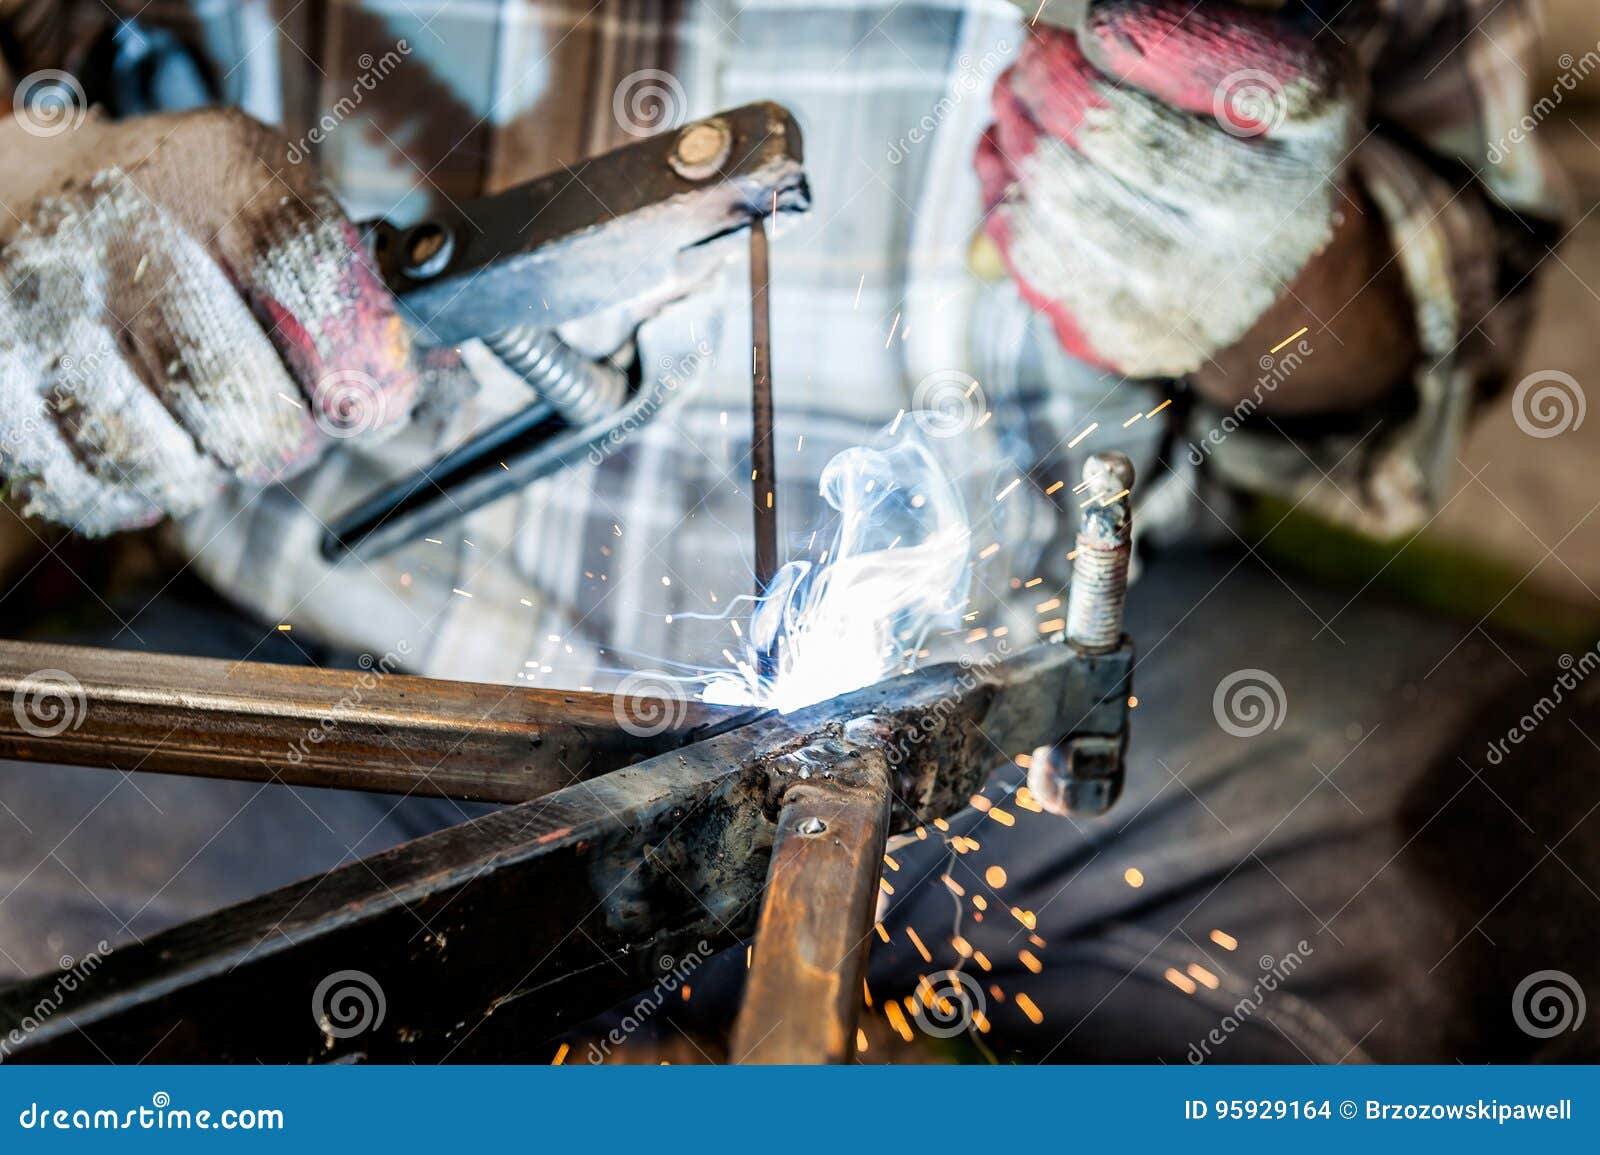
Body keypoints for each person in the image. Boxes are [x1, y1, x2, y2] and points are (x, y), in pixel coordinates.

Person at [1, 0, 1595, 1062]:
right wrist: (33, 179)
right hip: (333, 681)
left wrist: (1276, 270)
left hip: (1025, 702)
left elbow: (1446, 321)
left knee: (1522, 882)